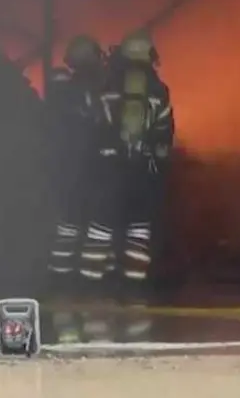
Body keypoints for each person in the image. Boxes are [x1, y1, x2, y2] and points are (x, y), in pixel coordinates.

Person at [89, 31, 175, 300]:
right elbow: (165, 133)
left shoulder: (106, 86)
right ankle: (133, 286)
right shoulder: (159, 91)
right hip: (142, 172)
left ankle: (92, 285)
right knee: (138, 227)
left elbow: (93, 126)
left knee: (102, 227)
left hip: (109, 170)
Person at [43, 35, 107, 291]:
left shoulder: (68, 93)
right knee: (90, 224)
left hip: (69, 169)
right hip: (83, 167)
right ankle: (86, 281)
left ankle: (63, 278)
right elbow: (96, 126)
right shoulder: (84, 93)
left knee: (71, 225)